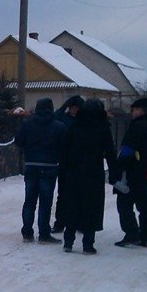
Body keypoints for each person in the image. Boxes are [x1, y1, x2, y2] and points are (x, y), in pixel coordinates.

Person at [61, 99, 117, 254]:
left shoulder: (76, 125)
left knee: (73, 205)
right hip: (94, 173)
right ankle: (88, 244)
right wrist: (114, 173)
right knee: (92, 207)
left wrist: (63, 170)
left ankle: (68, 241)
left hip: (74, 172)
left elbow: (65, 149)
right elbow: (110, 152)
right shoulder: (103, 128)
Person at [15, 97, 67, 244]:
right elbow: (65, 146)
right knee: (45, 202)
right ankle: (44, 234)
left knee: (29, 201)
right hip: (49, 167)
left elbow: (18, 141)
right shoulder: (59, 126)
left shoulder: (27, 124)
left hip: (31, 165)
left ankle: (27, 232)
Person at [113, 98, 147, 247]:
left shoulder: (136, 127)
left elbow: (127, 149)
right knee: (145, 205)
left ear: (141, 110)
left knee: (124, 203)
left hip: (133, 171)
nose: (132, 112)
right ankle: (146, 236)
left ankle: (131, 233)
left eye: (134, 109)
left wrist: (119, 167)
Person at [51, 95, 85, 233]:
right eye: (72, 107)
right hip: (65, 161)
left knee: (79, 194)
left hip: (80, 162)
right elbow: (55, 117)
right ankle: (60, 222)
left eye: (77, 108)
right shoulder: (63, 118)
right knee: (63, 194)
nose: (74, 110)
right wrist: (64, 105)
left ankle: (79, 223)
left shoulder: (84, 120)